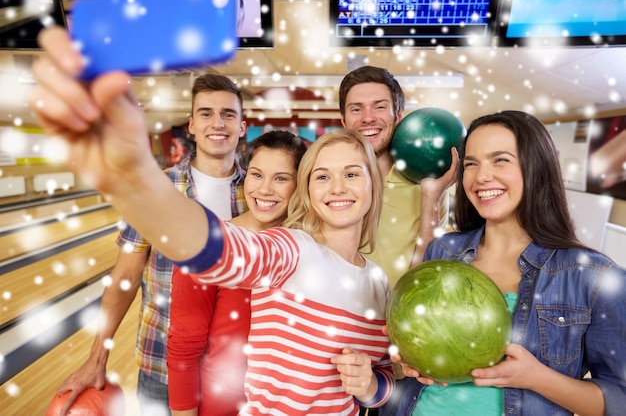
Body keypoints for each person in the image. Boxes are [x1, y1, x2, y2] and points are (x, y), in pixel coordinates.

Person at [31, 27, 394, 414]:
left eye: (352, 174)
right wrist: (139, 179)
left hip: (230, 379)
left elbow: (380, 378)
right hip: (168, 362)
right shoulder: (289, 250)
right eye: (322, 175)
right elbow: (221, 250)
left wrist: (372, 385)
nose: (336, 186)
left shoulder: (375, 280)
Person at [381, 111, 626, 416]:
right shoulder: (442, 252)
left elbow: (619, 399)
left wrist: (537, 379)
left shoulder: (593, 277)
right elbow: (409, 349)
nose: (481, 176)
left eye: (500, 160)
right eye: (471, 164)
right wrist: (412, 359)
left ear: (535, 167)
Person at [51, 69, 248, 415]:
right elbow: (125, 277)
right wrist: (98, 358)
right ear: (191, 125)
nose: (218, 123)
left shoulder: (261, 193)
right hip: (161, 365)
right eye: (206, 113)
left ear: (242, 127)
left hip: (237, 369)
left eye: (228, 114)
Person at [167, 130, 307, 416]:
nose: (265, 189)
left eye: (281, 178)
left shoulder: (310, 252)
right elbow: (183, 350)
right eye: (256, 175)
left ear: (300, 185)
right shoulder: (210, 244)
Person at [338, 65, 458, 288]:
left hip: (397, 316)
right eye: (356, 109)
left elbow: (430, 273)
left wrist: (431, 198)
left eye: (380, 107)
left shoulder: (426, 186)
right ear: (344, 121)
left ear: (398, 117)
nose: (368, 118)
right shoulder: (328, 185)